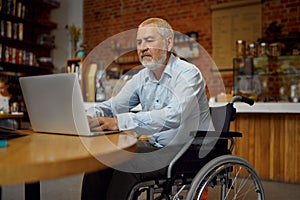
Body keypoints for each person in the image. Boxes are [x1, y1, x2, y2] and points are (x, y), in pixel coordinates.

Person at [81, 17, 212, 200]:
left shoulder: (188, 73)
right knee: (101, 158)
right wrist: (87, 116)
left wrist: (119, 123)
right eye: (139, 42)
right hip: (155, 146)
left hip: (187, 151)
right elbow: (113, 106)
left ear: (168, 42)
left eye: (149, 40)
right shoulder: (142, 77)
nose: (142, 48)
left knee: (125, 165)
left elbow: (174, 116)